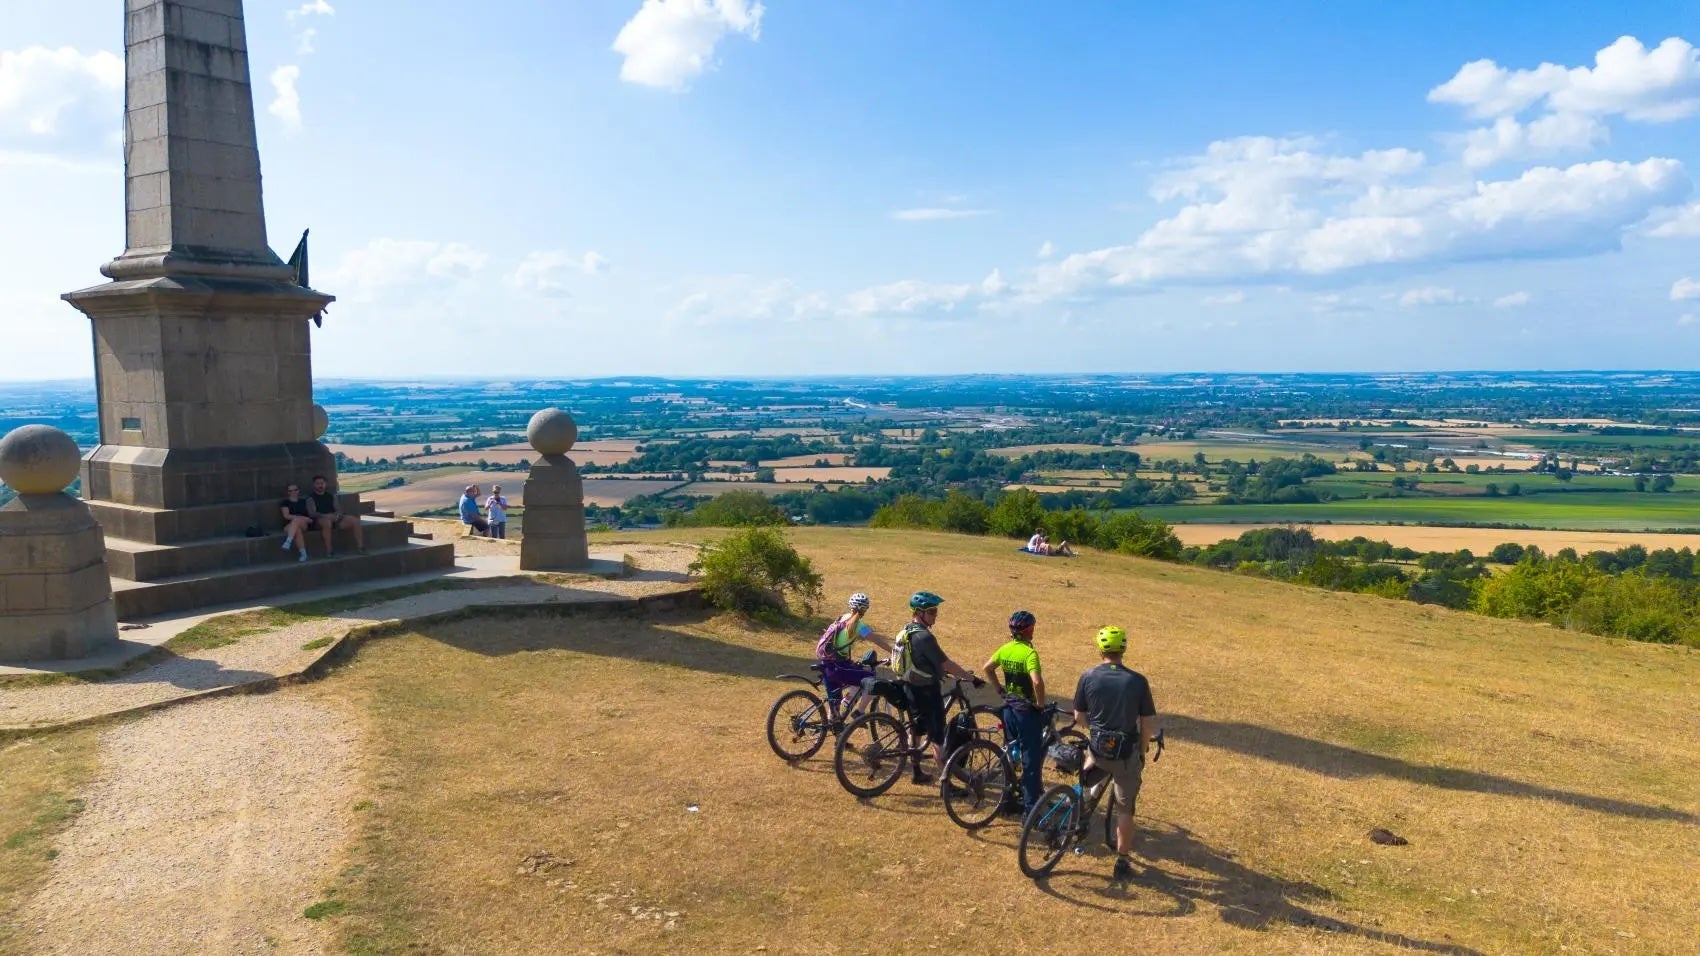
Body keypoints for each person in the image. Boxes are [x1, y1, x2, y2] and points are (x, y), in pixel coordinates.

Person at [1072, 625, 1159, 883]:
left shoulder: (1088, 676)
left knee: (1093, 780)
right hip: (1126, 754)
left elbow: (1079, 717)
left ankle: (1081, 823)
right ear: (1124, 649)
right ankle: (1121, 861)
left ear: (1100, 649)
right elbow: (1147, 725)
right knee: (1125, 810)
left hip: (1098, 749)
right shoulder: (1137, 681)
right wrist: (1142, 751)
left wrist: (1095, 730)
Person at [894, 591, 982, 785]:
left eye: (935, 611)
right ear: (918, 613)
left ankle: (917, 772)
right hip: (926, 690)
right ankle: (946, 783)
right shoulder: (924, 637)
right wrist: (970, 678)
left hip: (910, 687)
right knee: (938, 736)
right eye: (932, 612)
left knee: (916, 731)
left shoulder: (905, 631)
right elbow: (946, 664)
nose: (935, 615)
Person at [982, 610, 1045, 815]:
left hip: (1009, 709)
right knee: (1031, 761)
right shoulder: (1029, 653)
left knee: (1011, 755)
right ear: (1029, 630)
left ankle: (1007, 799)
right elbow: (1036, 681)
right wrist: (1041, 704)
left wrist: (999, 689)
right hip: (1026, 712)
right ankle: (1030, 810)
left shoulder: (1005, 649)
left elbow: (988, 668)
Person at [814, 592, 895, 720]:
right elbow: (876, 640)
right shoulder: (857, 625)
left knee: (834, 702)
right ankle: (859, 712)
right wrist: (894, 652)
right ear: (865, 610)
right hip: (837, 666)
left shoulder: (842, 618)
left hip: (827, 663)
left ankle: (836, 727)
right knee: (870, 679)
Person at [307, 474, 363, 557]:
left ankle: (361, 547)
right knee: (327, 523)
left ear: (325, 484)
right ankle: (329, 551)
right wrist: (326, 516)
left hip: (334, 519)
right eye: (318, 483)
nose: (320, 485)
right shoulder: (310, 498)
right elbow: (312, 513)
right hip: (320, 520)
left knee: (355, 521)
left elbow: (339, 509)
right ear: (314, 485)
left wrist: (337, 516)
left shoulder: (331, 496)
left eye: (322, 483)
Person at [278, 482, 311, 563]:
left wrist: (301, 518)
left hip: (304, 523)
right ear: (288, 492)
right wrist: (300, 517)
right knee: (297, 529)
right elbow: (286, 516)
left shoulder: (304, 501)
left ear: (298, 491)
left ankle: (288, 541)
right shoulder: (285, 502)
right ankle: (303, 553)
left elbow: (310, 515)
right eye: (290, 491)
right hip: (289, 525)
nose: (293, 492)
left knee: (296, 521)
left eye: (295, 490)